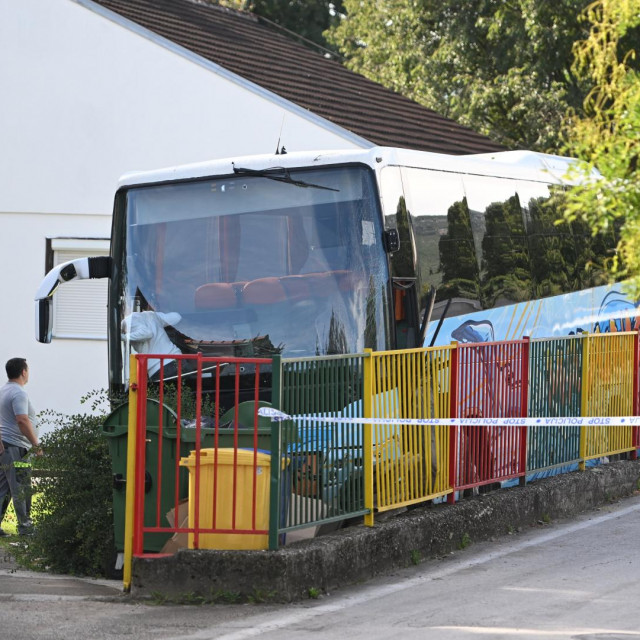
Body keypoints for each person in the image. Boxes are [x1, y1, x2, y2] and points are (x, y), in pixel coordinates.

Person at [0, 358, 42, 536]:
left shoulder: (3, 390)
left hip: (7, 447)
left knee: (4, 488)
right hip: (18, 448)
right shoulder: (18, 393)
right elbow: (22, 420)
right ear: (23, 372)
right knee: (21, 487)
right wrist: (35, 444)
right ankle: (26, 527)